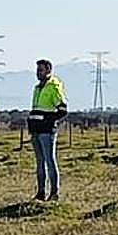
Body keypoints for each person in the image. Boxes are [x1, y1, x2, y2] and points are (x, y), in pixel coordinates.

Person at [28, 59, 68, 201]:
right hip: (36, 130)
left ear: (48, 71)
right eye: (37, 70)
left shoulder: (53, 87)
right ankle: (40, 192)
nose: (38, 73)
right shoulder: (37, 88)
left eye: (41, 70)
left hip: (46, 131)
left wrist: (49, 120)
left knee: (50, 161)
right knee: (39, 162)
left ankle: (54, 192)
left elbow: (62, 109)